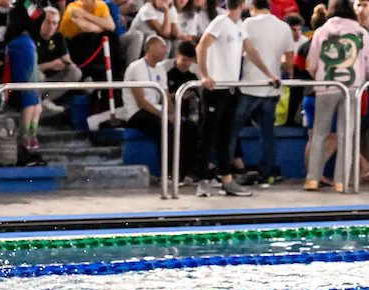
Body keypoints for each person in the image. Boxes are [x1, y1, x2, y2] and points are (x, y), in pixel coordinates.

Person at [194, 0, 280, 197]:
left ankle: (227, 179)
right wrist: (205, 75)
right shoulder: (219, 22)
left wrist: (269, 74)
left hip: (231, 88)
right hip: (216, 88)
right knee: (208, 135)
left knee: (225, 136)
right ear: (242, 5)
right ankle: (203, 180)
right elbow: (201, 47)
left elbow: (251, 51)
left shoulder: (239, 25)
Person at [304, 0, 369, 192]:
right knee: (346, 135)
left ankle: (312, 179)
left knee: (319, 134)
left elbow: (311, 63)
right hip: (352, 88)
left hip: (326, 86)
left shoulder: (320, 32)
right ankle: (341, 181)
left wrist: (319, 76)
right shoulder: (361, 33)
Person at [232, 0, 295, 188]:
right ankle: (267, 173)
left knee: (232, 130)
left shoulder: (247, 24)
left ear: (252, 9)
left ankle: (226, 171)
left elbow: (237, 52)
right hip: (272, 88)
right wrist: (273, 64)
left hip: (249, 87)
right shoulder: (284, 27)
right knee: (267, 134)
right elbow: (289, 64)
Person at [122, 36, 197, 182]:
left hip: (156, 110)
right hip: (136, 113)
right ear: (151, 48)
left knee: (189, 127)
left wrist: (174, 114)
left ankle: (184, 172)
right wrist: (165, 115)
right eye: (162, 47)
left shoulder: (160, 68)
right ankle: (168, 173)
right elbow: (141, 102)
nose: (166, 50)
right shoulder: (136, 67)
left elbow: (166, 97)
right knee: (166, 127)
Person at [3, 0, 46, 163]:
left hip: (26, 44)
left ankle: (31, 137)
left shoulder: (24, 4)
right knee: (29, 94)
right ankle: (25, 140)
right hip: (22, 46)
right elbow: (39, 15)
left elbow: (40, 15)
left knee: (35, 100)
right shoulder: (22, 4)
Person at [59, 0, 120, 81]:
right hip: (71, 42)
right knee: (91, 36)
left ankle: (114, 72)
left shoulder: (100, 5)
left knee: (111, 36)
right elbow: (86, 28)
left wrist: (86, 15)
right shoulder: (73, 8)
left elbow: (112, 26)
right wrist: (104, 26)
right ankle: (90, 75)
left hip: (92, 42)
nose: (94, 2)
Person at [36, 8, 82, 114]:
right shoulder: (32, 37)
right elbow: (29, 69)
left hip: (54, 79)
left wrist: (68, 64)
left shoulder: (58, 37)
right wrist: (50, 65)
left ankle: (48, 100)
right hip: (37, 80)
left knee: (76, 72)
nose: (51, 26)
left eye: (54, 23)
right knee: (38, 74)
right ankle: (36, 103)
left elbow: (67, 59)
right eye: (48, 22)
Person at [125, 0, 177, 67]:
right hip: (137, 39)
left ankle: (159, 69)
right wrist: (166, 12)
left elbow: (174, 33)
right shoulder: (147, 9)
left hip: (151, 38)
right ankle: (131, 68)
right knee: (157, 40)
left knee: (168, 43)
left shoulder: (172, 10)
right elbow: (164, 33)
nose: (164, 1)